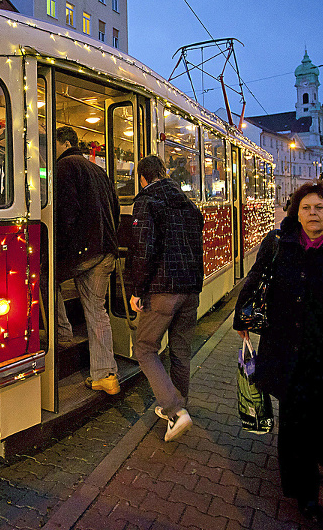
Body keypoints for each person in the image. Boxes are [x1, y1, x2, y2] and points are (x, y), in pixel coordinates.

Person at [236, 182, 323, 519]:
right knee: (294, 419)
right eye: (306, 208)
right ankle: (301, 488)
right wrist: (243, 316)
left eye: (320, 207)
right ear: (296, 213)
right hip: (286, 345)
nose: (312, 214)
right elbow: (256, 278)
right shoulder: (279, 243)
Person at [126, 156, 205, 442]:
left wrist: (137, 290)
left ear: (143, 178)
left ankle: (174, 410)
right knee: (181, 352)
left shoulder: (146, 203)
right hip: (191, 290)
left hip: (162, 291)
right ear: (165, 173)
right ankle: (180, 403)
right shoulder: (188, 203)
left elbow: (143, 250)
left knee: (145, 349)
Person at [54, 125, 121, 395]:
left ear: (63, 143)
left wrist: (59, 251)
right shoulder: (98, 169)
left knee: (46, 276)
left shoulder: (65, 167)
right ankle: (106, 374)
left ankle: (62, 333)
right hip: (106, 250)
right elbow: (115, 208)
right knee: (97, 312)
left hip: (84, 252)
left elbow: (66, 213)